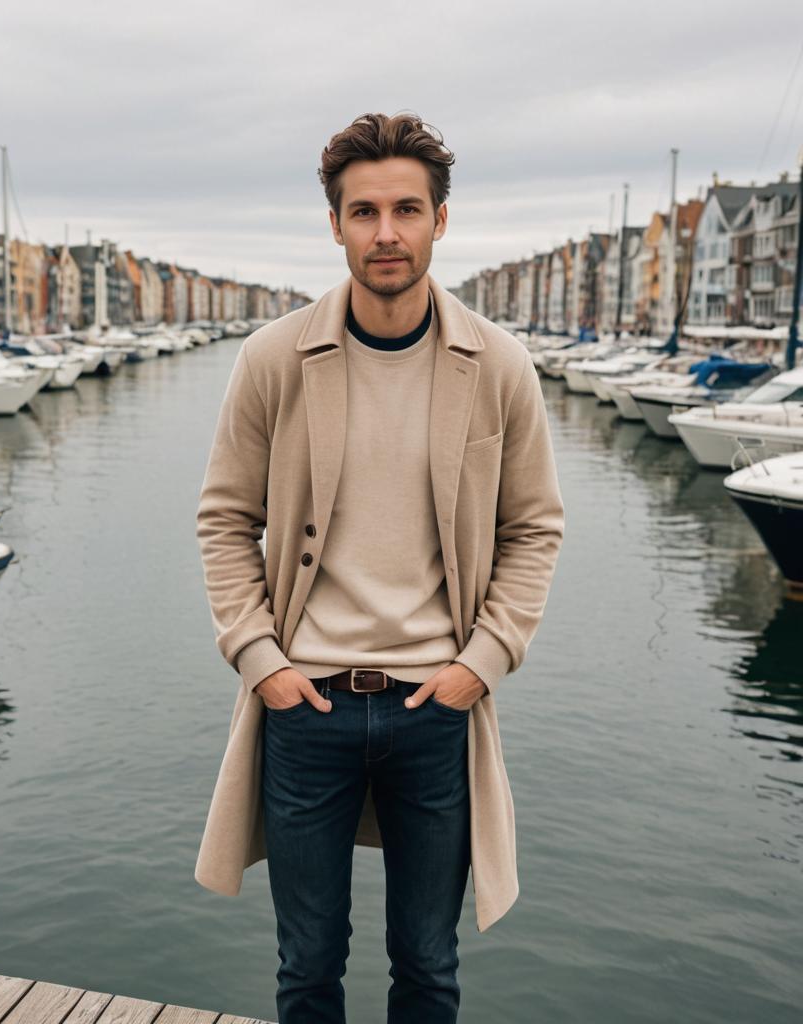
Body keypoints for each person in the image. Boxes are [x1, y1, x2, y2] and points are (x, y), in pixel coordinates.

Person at [194, 111, 565, 1024]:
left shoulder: (499, 366)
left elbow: (535, 529)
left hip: (435, 709)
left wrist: (479, 666)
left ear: (442, 219)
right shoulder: (275, 359)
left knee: (428, 966)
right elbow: (224, 520)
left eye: (407, 209)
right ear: (335, 225)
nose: (386, 233)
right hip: (306, 704)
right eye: (364, 212)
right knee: (308, 966)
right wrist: (261, 661)